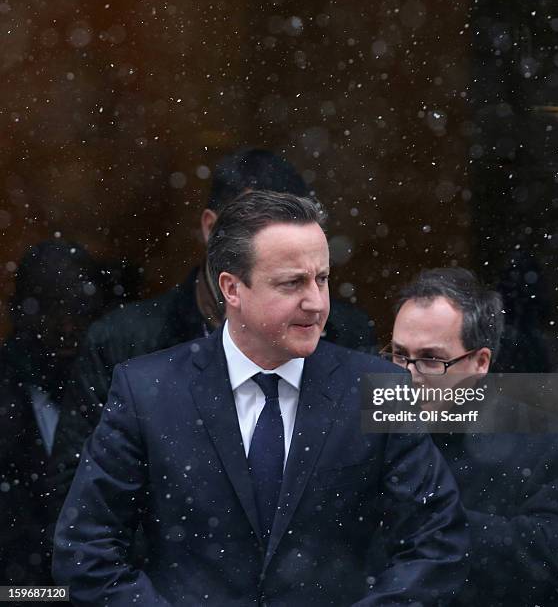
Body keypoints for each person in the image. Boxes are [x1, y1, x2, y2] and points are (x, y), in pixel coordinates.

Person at [53, 191, 469, 606]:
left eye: (322, 279)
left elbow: (436, 542)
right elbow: (87, 550)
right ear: (232, 288)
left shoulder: (380, 387)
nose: (317, 302)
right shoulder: (148, 390)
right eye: (292, 283)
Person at [48, 147, 377, 517]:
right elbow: (79, 504)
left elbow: (410, 500)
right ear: (211, 229)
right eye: (255, 228)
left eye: (320, 278)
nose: (313, 301)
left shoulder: (349, 337)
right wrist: (176, 561)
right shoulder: (124, 347)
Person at [387, 267, 558, 606]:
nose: (408, 376)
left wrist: (434, 523)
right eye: (399, 356)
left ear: (480, 361)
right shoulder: (378, 430)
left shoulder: (554, 444)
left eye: (431, 359)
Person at [0, 240, 105, 587]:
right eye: (48, 308)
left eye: (79, 309)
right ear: (16, 311)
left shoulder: (119, 391)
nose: (66, 326)